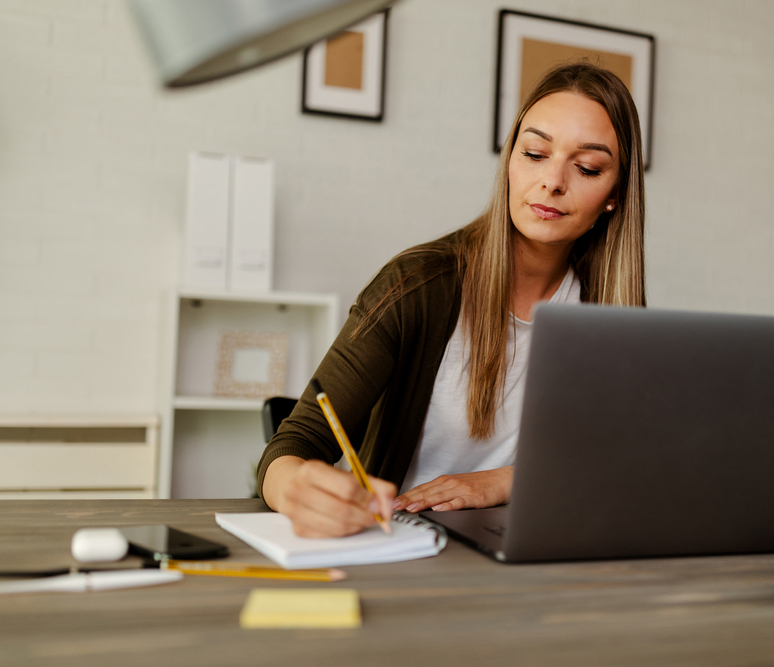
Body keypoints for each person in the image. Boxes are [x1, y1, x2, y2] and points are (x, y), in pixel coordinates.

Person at [257, 61, 646, 538]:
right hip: (409, 542)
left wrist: (506, 482)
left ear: (614, 195)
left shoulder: (615, 312)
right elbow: (292, 445)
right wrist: (294, 485)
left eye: (587, 167)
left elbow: (625, 466)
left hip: (539, 551)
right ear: (510, 162)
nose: (553, 181)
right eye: (534, 153)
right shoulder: (415, 285)